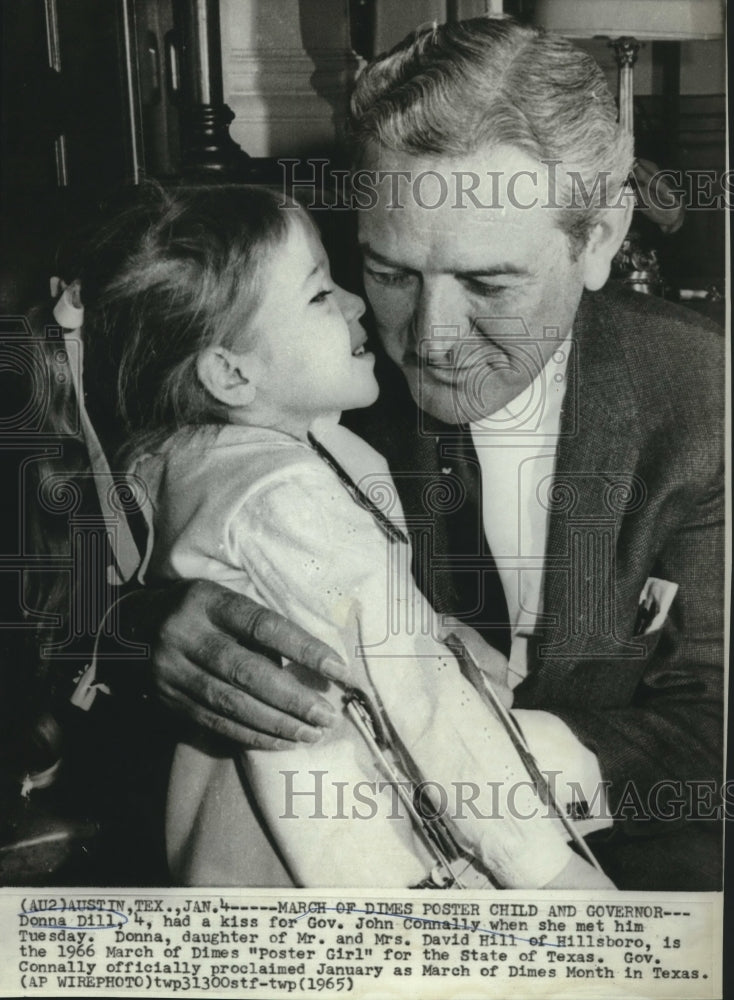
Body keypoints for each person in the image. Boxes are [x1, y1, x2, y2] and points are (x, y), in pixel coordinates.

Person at [115, 18, 723, 890]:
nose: (428, 340)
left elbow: (715, 716)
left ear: (598, 240)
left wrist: (494, 772)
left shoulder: (705, 397)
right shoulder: (300, 370)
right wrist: (155, 634)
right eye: (389, 273)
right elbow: (91, 563)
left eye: (488, 283)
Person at [50, 183, 612, 889]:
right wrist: (555, 878)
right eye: (320, 295)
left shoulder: (186, 452)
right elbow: (421, 703)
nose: (354, 305)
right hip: (346, 832)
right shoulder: (287, 496)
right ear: (228, 372)